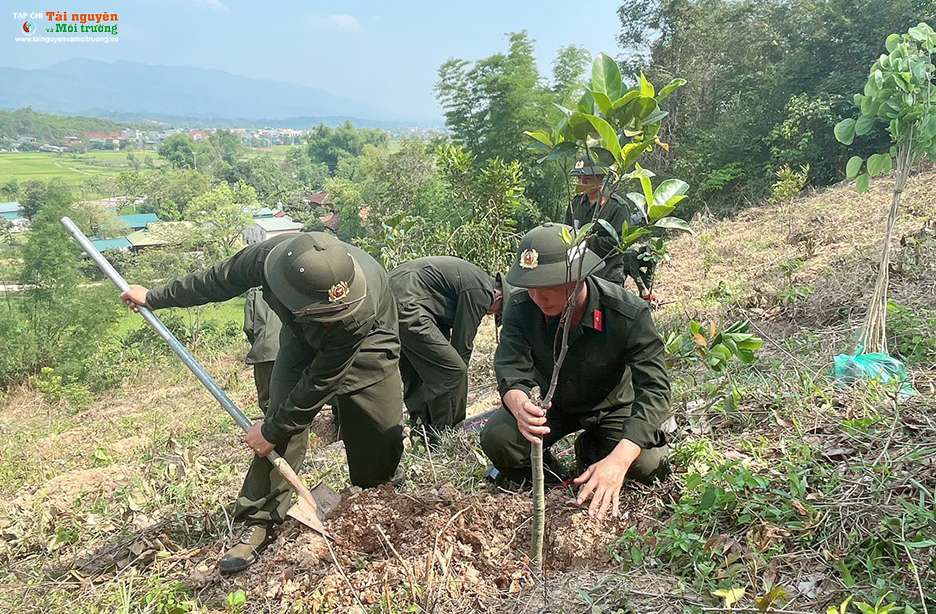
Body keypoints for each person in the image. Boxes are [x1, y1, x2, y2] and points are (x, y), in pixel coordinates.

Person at [120, 232, 404, 573]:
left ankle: (374, 495)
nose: (329, 316)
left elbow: (321, 381)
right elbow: (216, 281)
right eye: (323, 311)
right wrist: (154, 297)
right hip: (301, 334)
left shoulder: (356, 308)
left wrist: (270, 430)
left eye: (333, 311)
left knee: (377, 432)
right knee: (282, 416)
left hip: (368, 339)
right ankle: (261, 520)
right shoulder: (267, 260)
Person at [480, 223, 671, 521]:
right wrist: (520, 405)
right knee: (499, 439)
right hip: (550, 405)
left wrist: (620, 460)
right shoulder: (520, 308)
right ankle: (555, 480)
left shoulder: (626, 313)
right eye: (530, 286)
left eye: (547, 285)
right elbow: (510, 366)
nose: (537, 297)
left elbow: (655, 390)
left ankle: (594, 450)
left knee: (648, 465)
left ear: (578, 276)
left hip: (611, 406)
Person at [388, 256, 504, 441]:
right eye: (496, 312)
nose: (490, 314)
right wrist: (456, 382)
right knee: (453, 371)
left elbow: (441, 329)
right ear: (500, 297)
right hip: (409, 301)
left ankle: (422, 436)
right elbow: (461, 346)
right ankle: (447, 440)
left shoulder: (473, 279)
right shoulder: (482, 291)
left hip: (394, 295)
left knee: (418, 373)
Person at [565, 155, 655, 300]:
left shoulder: (617, 207)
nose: (582, 182)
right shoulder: (575, 205)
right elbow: (567, 234)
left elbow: (617, 243)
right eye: (579, 178)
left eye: (587, 177)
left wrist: (585, 242)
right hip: (579, 276)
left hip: (608, 278)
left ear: (600, 177)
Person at [243, 287, 281, 415]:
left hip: (264, 350)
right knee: (291, 390)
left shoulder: (255, 295)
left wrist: (258, 343)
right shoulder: (287, 289)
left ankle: (272, 427)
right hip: (290, 349)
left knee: (266, 397)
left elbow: (248, 327)